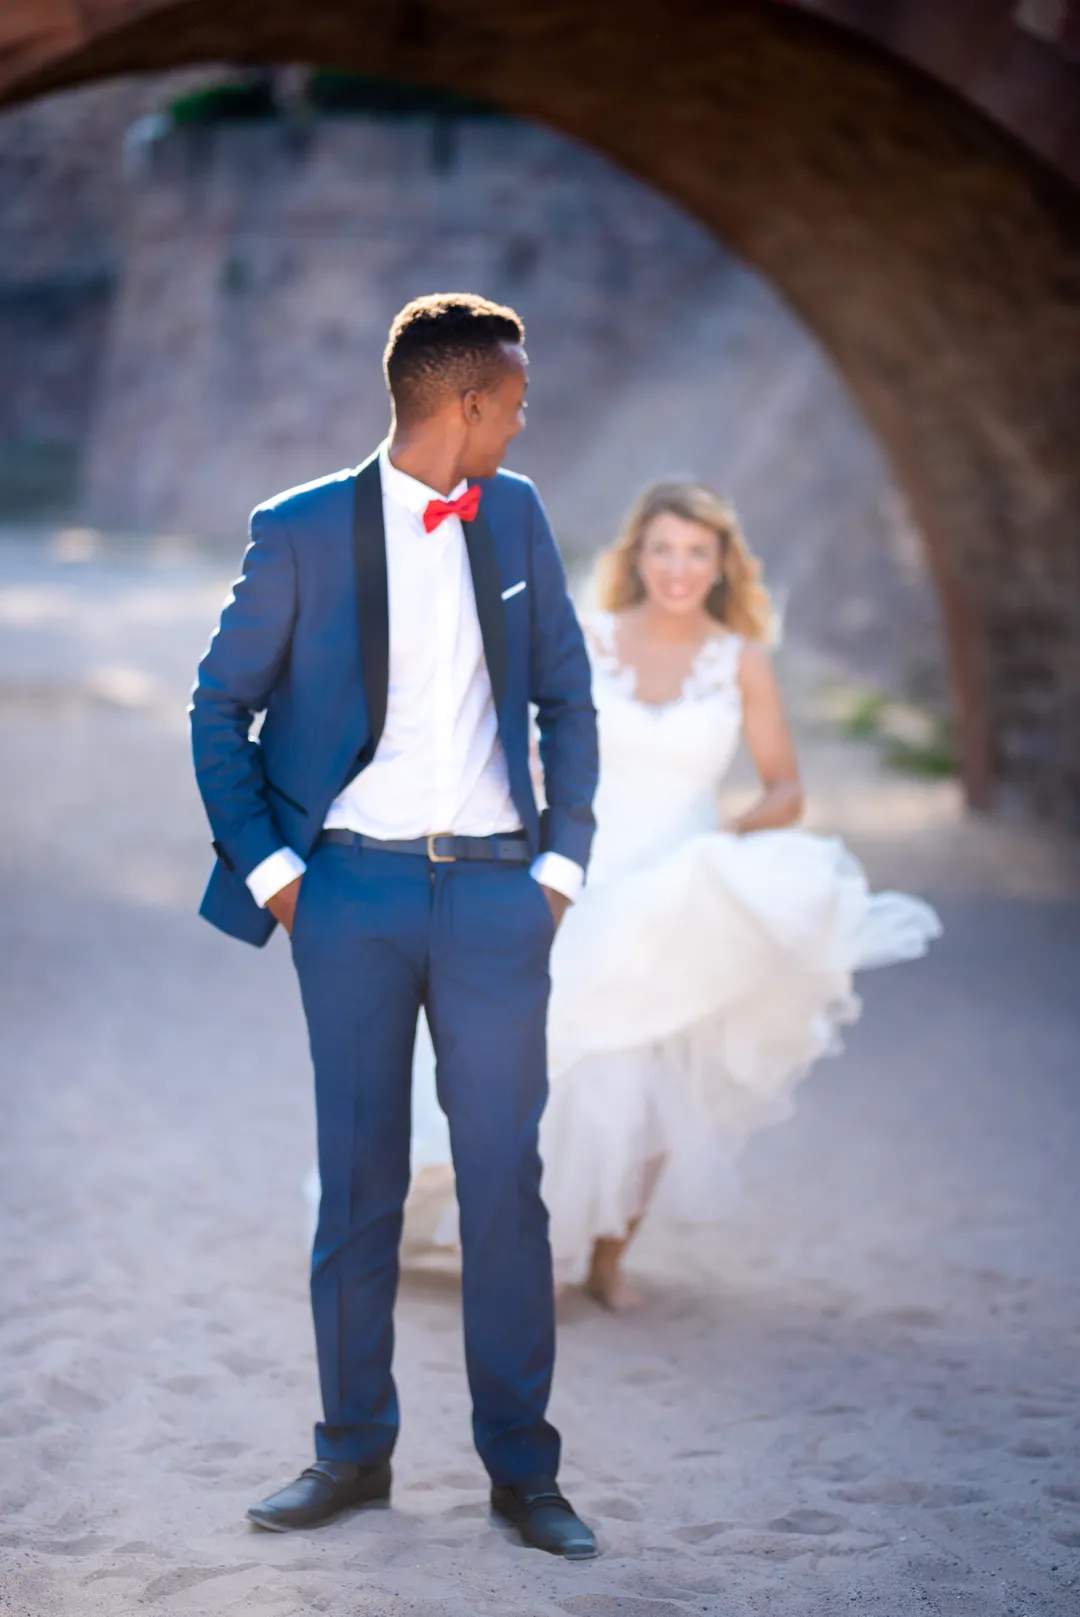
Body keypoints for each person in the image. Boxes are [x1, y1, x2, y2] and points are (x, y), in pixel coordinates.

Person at [189, 294, 600, 1558]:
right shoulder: (302, 528)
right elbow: (219, 710)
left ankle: (524, 1474)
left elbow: (567, 700)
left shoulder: (518, 511)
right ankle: (351, 1455)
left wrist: (560, 870)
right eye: (516, 400)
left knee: (504, 1189)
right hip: (350, 897)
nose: (525, 419)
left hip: (493, 898)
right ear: (466, 403)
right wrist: (276, 875)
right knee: (361, 1188)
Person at [404, 479, 942, 1310]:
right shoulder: (586, 638)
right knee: (550, 1050)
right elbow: (532, 747)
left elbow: (786, 788)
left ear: (722, 563)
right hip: (578, 867)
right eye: (663, 548)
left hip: (681, 875)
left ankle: (609, 1256)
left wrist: (729, 837)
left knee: (656, 1072)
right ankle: (519, 1242)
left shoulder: (743, 661)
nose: (678, 567)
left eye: (697, 551)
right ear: (637, 557)